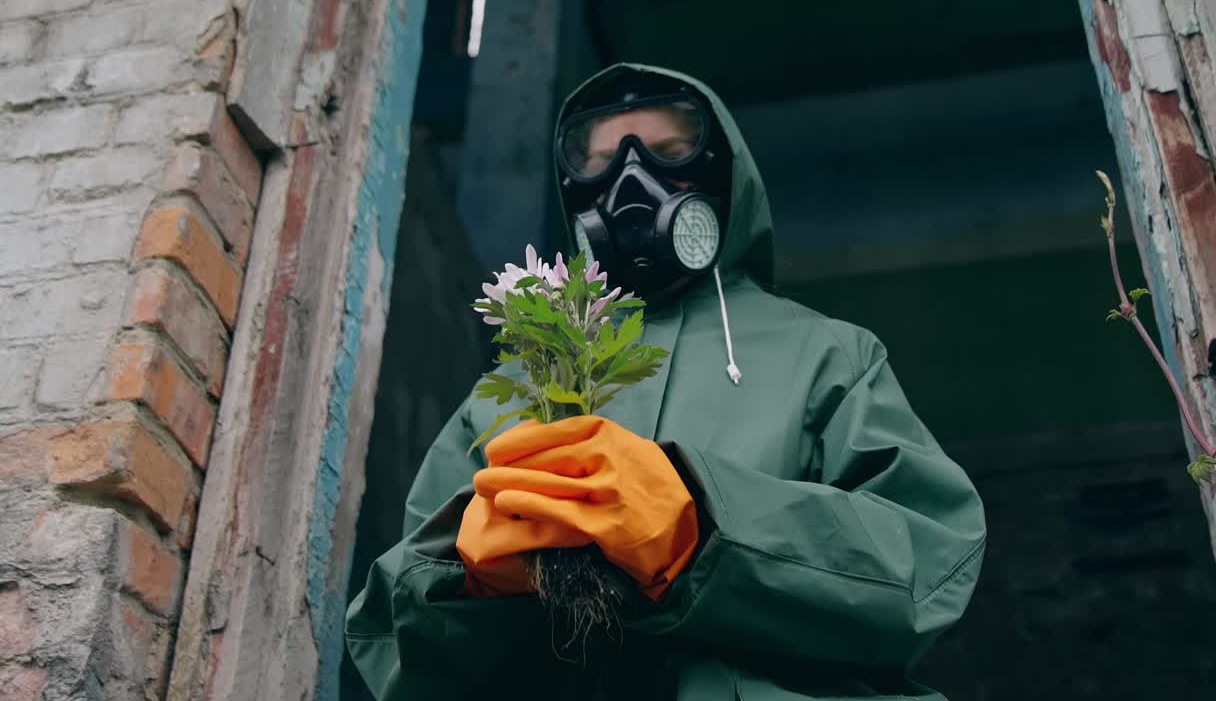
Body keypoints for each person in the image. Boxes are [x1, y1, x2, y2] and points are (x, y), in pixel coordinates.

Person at [345, 62, 986, 699]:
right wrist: (466, 583)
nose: (632, 181)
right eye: (602, 163)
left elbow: (927, 565)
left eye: (670, 152)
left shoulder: (826, 354)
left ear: (723, 178)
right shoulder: (521, 378)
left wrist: (701, 533)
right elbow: (392, 643)